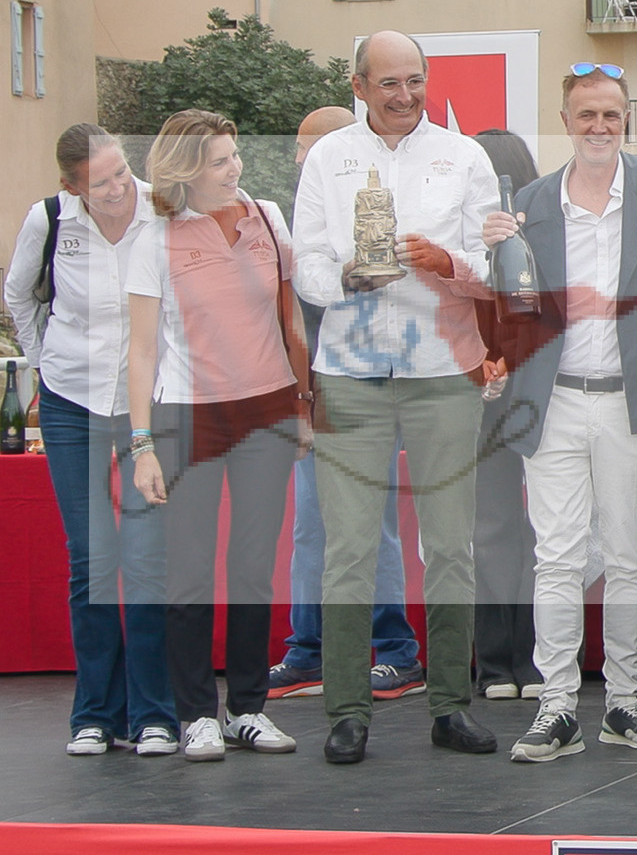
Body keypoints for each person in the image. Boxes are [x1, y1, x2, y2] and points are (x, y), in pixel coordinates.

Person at [293, 30, 499, 764]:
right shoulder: (328, 158)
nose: (405, 95)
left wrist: (446, 262)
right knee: (348, 550)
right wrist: (345, 279)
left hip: (443, 371)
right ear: (359, 86)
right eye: (389, 83)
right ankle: (347, 711)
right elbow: (305, 263)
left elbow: (492, 266)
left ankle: (450, 707)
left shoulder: (464, 156)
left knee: (448, 547)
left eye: (414, 80)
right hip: (350, 373)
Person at [484, 63, 637, 763]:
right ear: (566, 121)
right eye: (586, 115)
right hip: (553, 401)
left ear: (626, 117)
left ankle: (626, 699)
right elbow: (509, 307)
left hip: (634, 401)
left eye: (610, 114)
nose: (599, 126)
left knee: (631, 555)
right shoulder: (530, 203)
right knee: (557, 556)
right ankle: (556, 705)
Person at [125, 109, 308, 762]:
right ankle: (197, 715)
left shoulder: (268, 218)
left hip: (268, 411)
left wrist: (304, 406)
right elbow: (141, 351)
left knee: (253, 568)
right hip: (188, 416)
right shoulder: (154, 240)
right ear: (185, 172)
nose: (235, 168)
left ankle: (249, 709)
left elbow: (291, 318)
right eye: (220, 161)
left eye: (235, 155)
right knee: (190, 571)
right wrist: (142, 444)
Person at [4, 124, 176, 756]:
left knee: (146, 558)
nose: (117, 188)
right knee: (90, 558)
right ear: (71, 186)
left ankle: (155, 713)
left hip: (147, 404)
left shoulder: (162, 211)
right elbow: (18, 294)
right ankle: (95, 714)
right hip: (71, 399)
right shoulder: (48, 220)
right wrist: (42, 360)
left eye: (121, 172)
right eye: (100, 182)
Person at [269, 105, 424, 703]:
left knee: (370, 525)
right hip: (312, 390)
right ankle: (308, 650)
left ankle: (395, 652)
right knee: (312, 526)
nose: (301, 157)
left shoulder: (375, 211)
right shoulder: (293, 217)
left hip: (365, 387)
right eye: (300, 146)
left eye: (311, 146)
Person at [469, 128, 543, 702]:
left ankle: (503, 663)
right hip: (502, 392)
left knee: (509, 528)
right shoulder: (462, 240)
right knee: (516, 530)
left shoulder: (544, 231)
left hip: (523, 391)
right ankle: (524, 663)